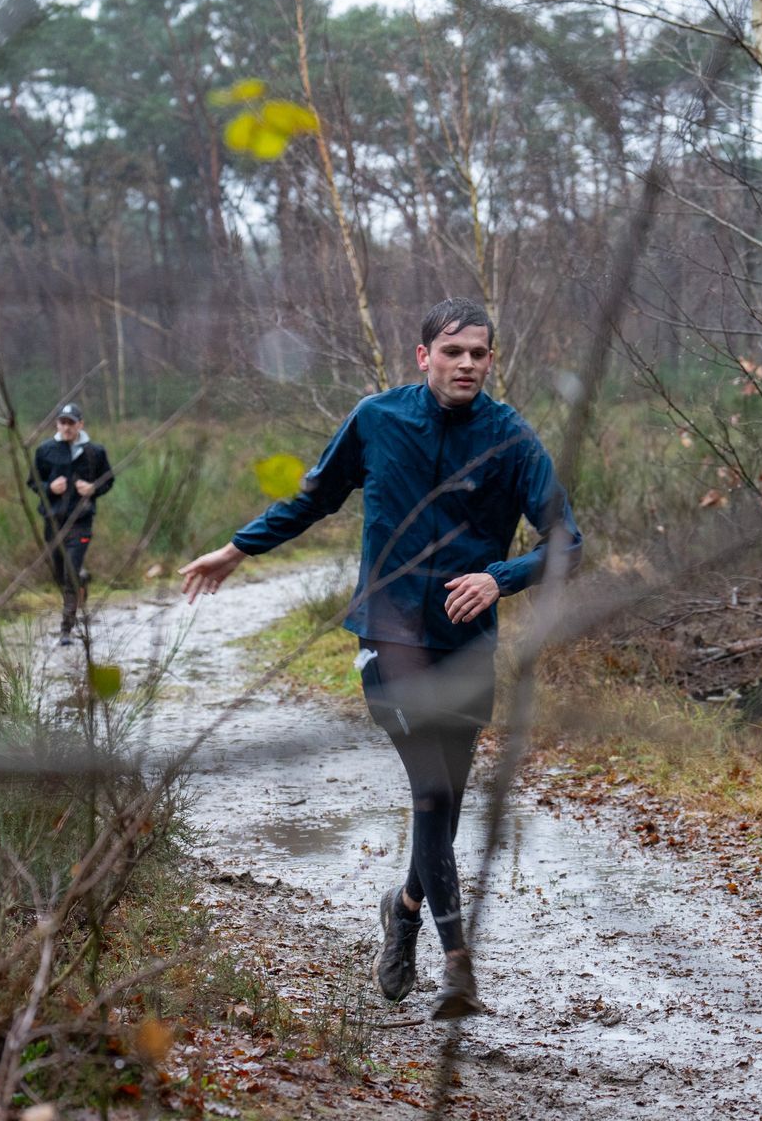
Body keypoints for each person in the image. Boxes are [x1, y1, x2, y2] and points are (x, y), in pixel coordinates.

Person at [179, 299, 581, 1020]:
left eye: (479, 354)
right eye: (453, 351)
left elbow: (567, 542)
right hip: (387, 639)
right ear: (422, 356)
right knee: (430, 788)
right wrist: (238, 549)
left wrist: (500, 576)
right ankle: (458, 962)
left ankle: (402, 909)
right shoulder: (377, 419)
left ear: (492, 362)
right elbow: (312, 499)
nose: (466, 364)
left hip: (466, 647)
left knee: (447, 802)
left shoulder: (512, 438)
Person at [30, 402, 114, 644]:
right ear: (57, 424)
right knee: (60, 573)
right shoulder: (45, 450)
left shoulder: (94, 452)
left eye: (71, 422)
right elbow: (33, 481)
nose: (66, 427)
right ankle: (82, 579)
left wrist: (93, 488)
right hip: (53, 521)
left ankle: (66, 629)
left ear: (80, 424)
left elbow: (108, 479)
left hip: (81, 521)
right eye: (62, 422)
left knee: (69, 574)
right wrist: (48, 487)